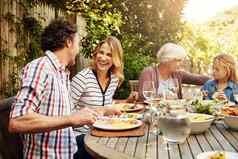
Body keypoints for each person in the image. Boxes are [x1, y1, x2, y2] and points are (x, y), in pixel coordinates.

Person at [8, 19, 119, 159]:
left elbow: (67, 116)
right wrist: (71, 118)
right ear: (69, 42)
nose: (78, 51)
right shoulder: (41, 67)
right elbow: (17, 120)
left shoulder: (61, 73)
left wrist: (97, 111)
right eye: (77, 44)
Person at [71, 36, 136, 134]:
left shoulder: (114, 79)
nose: (103, 58)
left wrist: (126, 101)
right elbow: (65, 114)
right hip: (82, 135)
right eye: (101, 52)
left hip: (105, 132)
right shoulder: (82, 78)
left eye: (109, 55)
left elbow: (106, 103)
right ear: (96, 53)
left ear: (115, 59)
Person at [138, 42, 210, 100]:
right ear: (168, 60)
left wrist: (218, 78)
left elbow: (200, 79)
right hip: (155, 113)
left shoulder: (178, 74)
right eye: (178, 60)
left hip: (175, 113)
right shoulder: (149, 72)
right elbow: (143, 96)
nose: (180, 63)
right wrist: (163, 98)